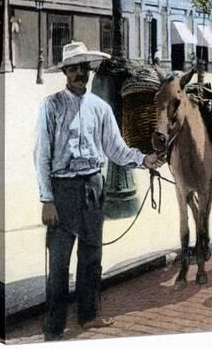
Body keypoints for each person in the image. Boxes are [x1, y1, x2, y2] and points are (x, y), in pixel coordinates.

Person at [35, 41, 164, 341]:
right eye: (73, 68)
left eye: (84, 67)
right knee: (58, 260)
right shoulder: (50, 107)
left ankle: (89, 315)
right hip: (62, 188)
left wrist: (144, 160)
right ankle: (54, 326)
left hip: (94, 187)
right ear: (65, 72)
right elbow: (41, 155)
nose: (80, 73)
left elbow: (116, 149)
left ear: (90, 70)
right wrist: (46, 199)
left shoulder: (100, 108)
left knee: (92, 255)